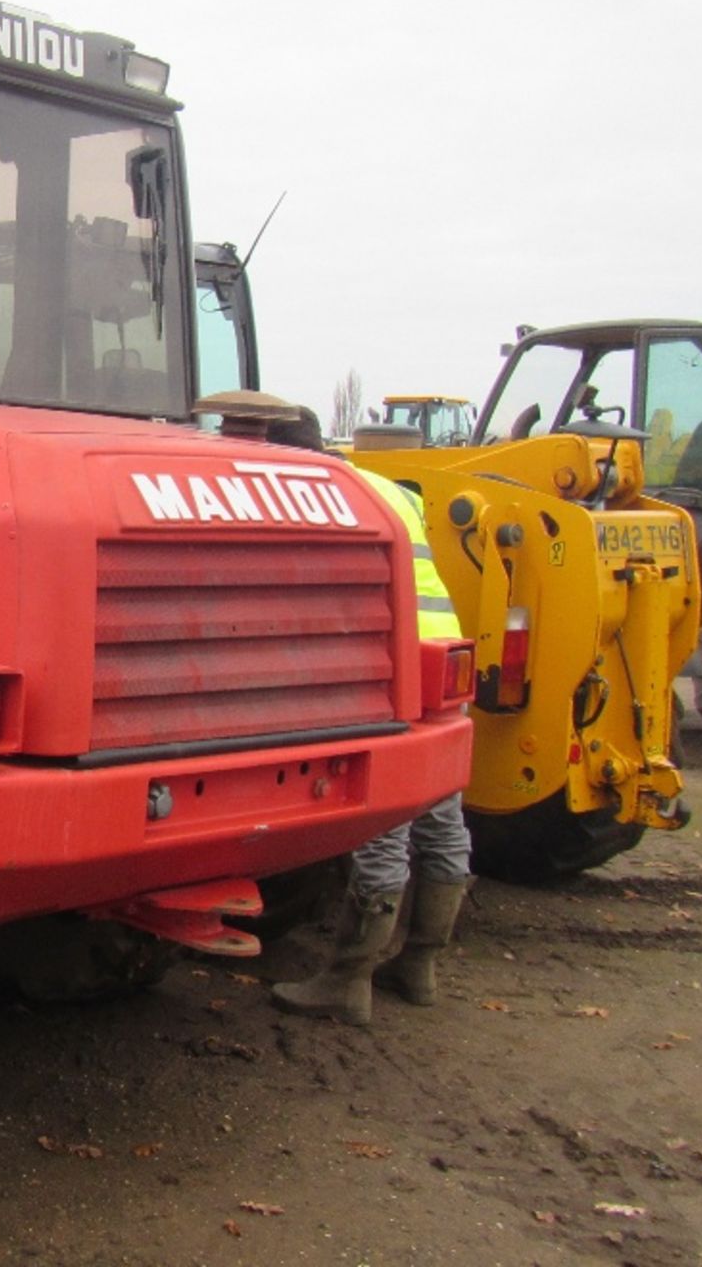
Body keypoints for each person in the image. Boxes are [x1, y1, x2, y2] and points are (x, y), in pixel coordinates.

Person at [259, 405, 473, 1026]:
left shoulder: (309, 494)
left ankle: (348, 980)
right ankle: (421, 966)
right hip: (443, 660)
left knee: (384, 822)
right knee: (440, 817)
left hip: (389, 670)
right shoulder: (381, 489)